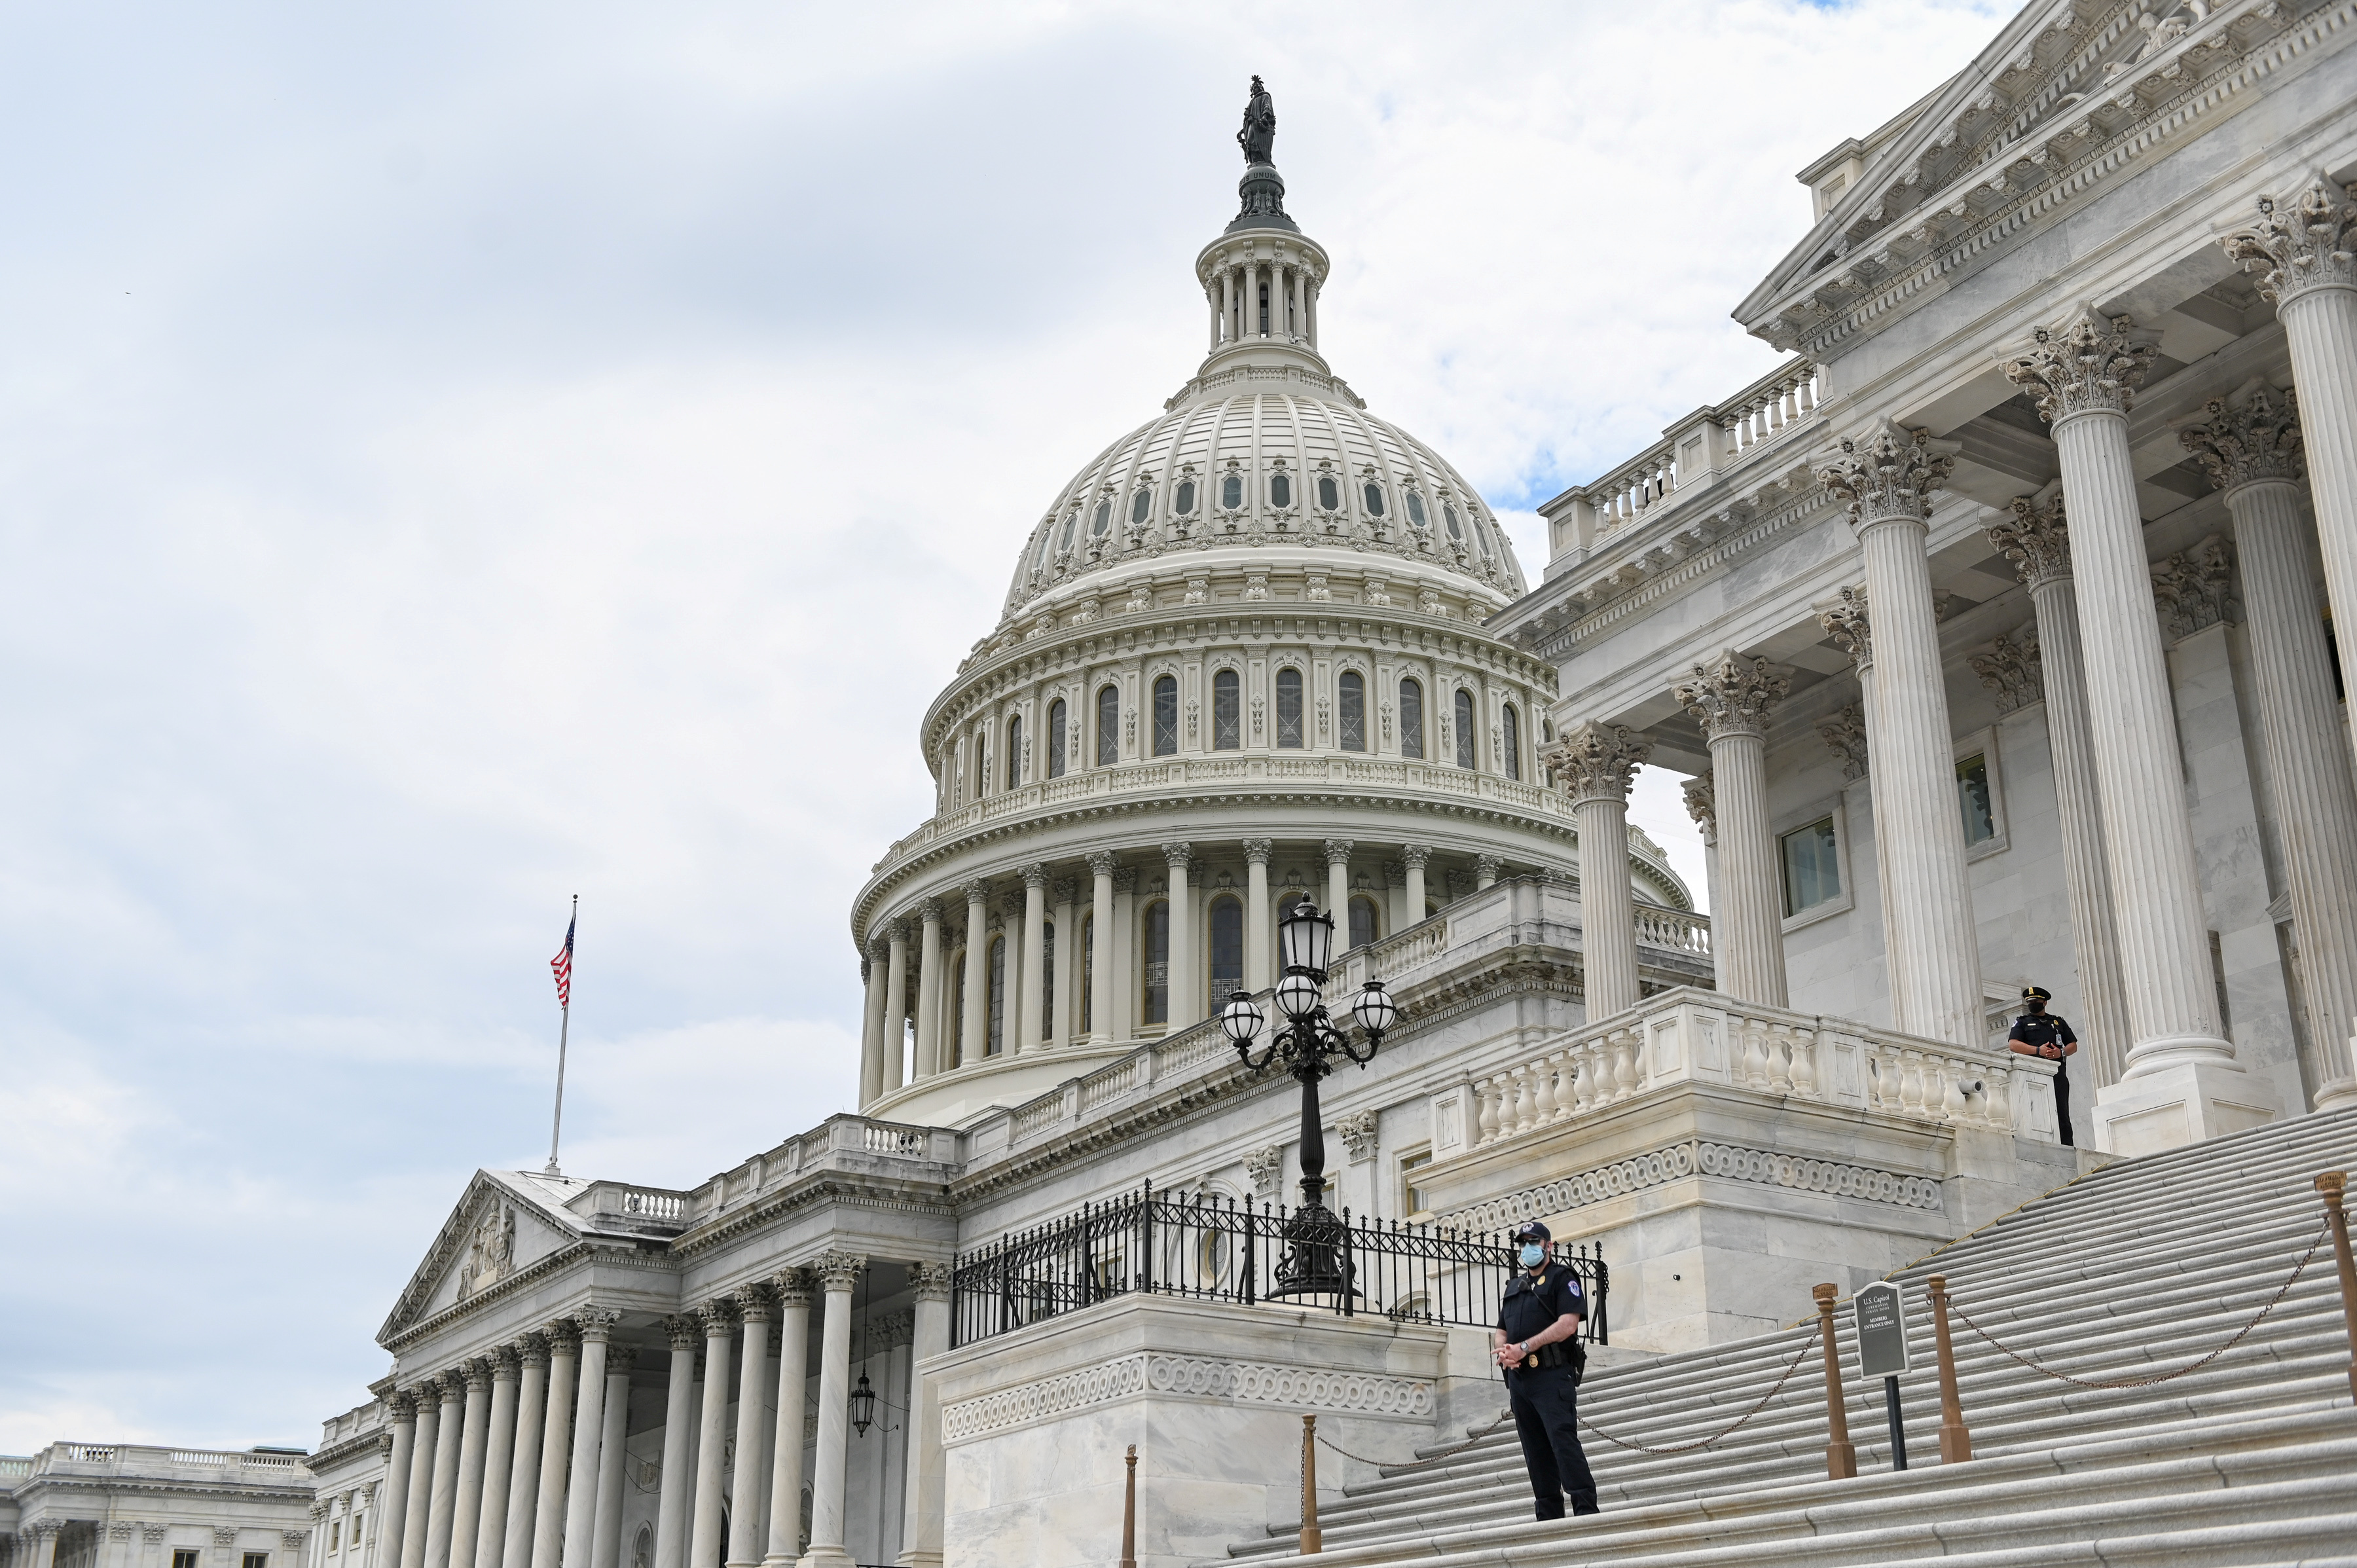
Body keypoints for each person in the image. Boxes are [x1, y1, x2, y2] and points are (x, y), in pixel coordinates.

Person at [1491, 1220, 1599, 1520]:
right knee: (1534, 1450)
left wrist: (1524, 1348)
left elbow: (1568, 1324)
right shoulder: (1515, 1285)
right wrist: (1505, 1352)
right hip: (1520, 1379)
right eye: (1523, 1243)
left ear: (1548, 1246)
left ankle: (1586, 1509)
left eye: (1534, 1242)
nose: (1528, 1248)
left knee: (1562, 1442)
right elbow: (1502, 1329)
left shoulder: (1562, 1278)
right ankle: (1549, 1515)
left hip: (1552, 1375)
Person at [2007, 985, 2078, 1146]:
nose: (2033, 1004)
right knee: (2037, 1113)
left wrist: (2061, 1053)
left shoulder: (2058, 1022)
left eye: (2036, 1001)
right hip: (2033, 1073)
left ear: (2044, 1002)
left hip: (2057, 1074)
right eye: (2030, 1001)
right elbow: (2013, 1044)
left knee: (2062, 1114)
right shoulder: (2022, 1022)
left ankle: (2067, 1147)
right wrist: (2038, 1050)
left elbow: (2073, 1045)